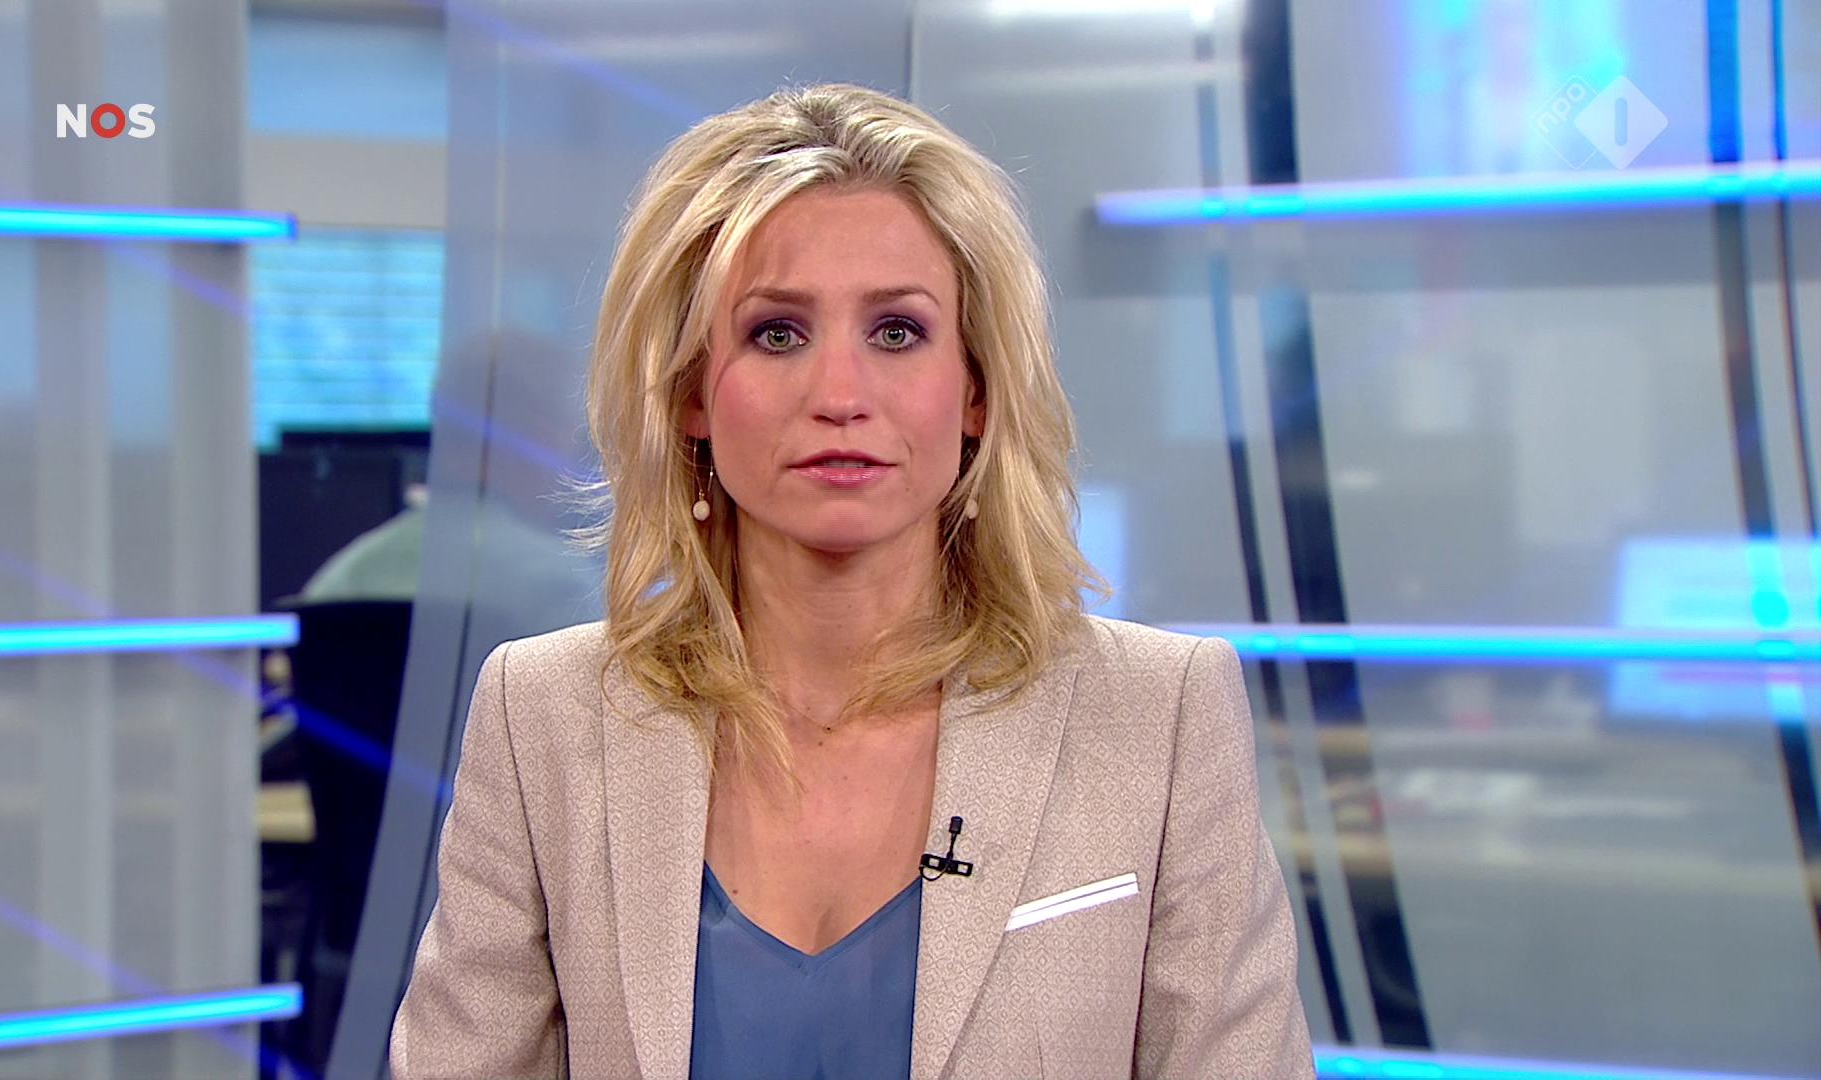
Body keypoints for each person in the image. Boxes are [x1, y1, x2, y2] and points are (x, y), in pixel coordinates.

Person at [389, 82, 1313, 1080]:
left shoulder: (1159, 717)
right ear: (692, 394)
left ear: (975, 389)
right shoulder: (544, 717)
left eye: (897, 332)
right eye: (777, 334)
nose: (840, 395)